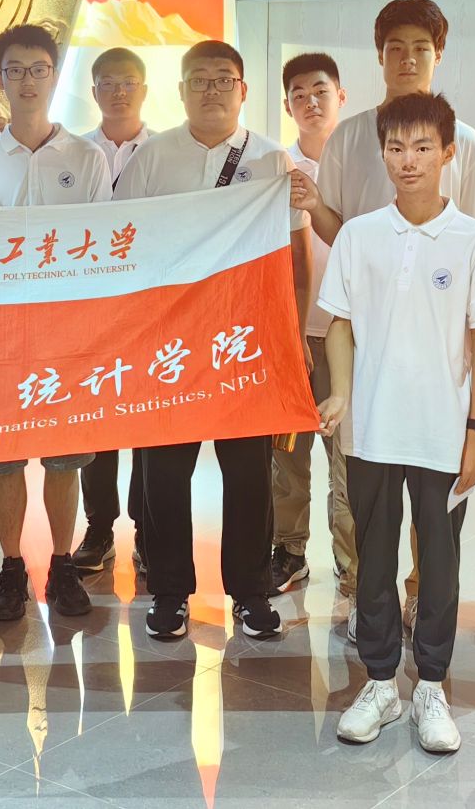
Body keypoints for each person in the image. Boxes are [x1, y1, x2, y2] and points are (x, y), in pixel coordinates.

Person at [290, 0, 475, 632]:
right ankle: (361, 588)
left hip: (437, 345)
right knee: (356, 475)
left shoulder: (467, 143)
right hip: (358, 333)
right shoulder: (352, 136)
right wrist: (316, 206)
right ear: (379, 56)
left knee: (434, 485)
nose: (408, 59)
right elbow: (339, 229)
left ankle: (419, 591)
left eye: (421, 49)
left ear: (438, 55)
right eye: (395, 48)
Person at [320, 92, 475, 755]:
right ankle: (378, 683)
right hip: (371, 427)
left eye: (423, 147)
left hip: (442, 431)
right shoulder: (359, 234)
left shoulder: (474, 241)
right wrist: (341, 394)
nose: (408, 160)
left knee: (440, 562)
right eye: (396, 147)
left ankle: (431, 685)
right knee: (373, 558)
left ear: (448, 152)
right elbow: (339, 323)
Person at [113, 39, 308, 642]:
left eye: (225, 79)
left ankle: (249, 592)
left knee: (248, 472)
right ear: (181, 91)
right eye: (199, 79)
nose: (212, 90)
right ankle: (170, 592)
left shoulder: (272, 160)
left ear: (243, 91)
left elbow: (294, 254)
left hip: (243, 340)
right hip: (169, 341)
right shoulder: (151, 158)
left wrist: (291, 334)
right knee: (164, 474)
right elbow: (124, 242)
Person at [0, 23, 111, 623]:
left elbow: (101, 249)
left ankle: (62, 564)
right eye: (14, 70)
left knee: (65, 458)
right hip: (0, 336)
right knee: (5, 459)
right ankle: (13, 567)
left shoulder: (86, 158)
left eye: (38, 69)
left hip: (68, 335)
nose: (26, 81)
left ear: (54, 76)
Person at [269, 53, 350, 603]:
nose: (311, 102)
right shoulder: (277, 167)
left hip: (348, 334)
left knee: (349, 461)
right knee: (289, 458)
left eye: (320, 91)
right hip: (292, 333)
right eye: (299, 94)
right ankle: (290, 550)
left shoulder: (361, 160)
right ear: (287, 105)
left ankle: (351, 563)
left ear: (340, 96)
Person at [72, 46, 153, 575]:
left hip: (148, 306)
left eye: (128, 82)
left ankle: (148, 529)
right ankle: (99, 527)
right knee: (94, 420)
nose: (118, 92)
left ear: (144, 90)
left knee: (147, 421)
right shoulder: (75, 152)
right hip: (92, 310)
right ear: (94, 90)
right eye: (107, 82)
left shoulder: (166, 151)